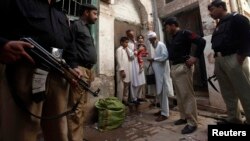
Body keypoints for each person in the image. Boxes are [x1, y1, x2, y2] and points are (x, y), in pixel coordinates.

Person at [0, 0, 80, 141]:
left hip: (57, 74)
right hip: (24, 73)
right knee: (21, 132)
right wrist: (3, 45)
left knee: (59, 133)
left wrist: (73, 66)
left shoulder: (60, 13)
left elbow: (69, 44)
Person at [208, 0, 250, 124]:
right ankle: (234, 119)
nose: (211, 13)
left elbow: (247, 36)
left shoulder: (237, 18)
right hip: (220, 60)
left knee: (244, 92)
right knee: (228, 93)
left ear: (221, 7)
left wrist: (241, 56)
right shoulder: (220, 24)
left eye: (212, 9)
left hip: (234, 58)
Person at [163, 17, 206, 134]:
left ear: (172, 25)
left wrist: (195, 57)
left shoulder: (185, 33)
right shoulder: (174, 37)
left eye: (166, 26)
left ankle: (192, 123)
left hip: (183, 67)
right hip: (175, 67)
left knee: (187, 95)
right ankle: (183, 117)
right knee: (180, 95)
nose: (166, 29)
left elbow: (201, 41)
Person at [67, 3, 98, 141]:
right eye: (94, 13)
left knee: (82, 105)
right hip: (79, 70)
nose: (96, 17)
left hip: (88, 71)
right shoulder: (76, 25)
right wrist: (74, 66)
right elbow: (69, 45)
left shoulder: (86, 28)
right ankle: (74, 138)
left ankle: (78, 136)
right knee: (76, 107)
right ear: (86, 12)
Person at [147, 31, 172, 122]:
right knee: (160, 93)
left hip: (163, 74)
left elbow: (165, 56)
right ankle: (162, 110)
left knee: (163, 93)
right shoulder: (155, 45)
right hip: (158, 74)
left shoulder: (160, 45)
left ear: (153, 38)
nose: (149, 41)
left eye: (150, 40)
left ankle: (165, 114)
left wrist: (154, 59)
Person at [126, 30, 146, 104]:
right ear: (127, 35)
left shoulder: (135, 42)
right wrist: (138, 50)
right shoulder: (127, 44)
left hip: (139, 62)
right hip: (133, 63)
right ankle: (133, 98)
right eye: (130, 34)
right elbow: (131, 55)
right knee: (134, 81)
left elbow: (142, 52)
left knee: (141, 80)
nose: (132, 35)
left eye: (133, 34)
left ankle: (138, 96)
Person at [116, 37, 133, 105]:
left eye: (127, 42)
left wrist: (128, 50)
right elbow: (119, 61)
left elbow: (132, 57)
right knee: (121, 87)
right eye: (125, 42)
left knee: (126, 86)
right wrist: (122, 70)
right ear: (121, 42)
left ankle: (125, 100)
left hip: (128, 70)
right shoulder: (119, 50)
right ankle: (119, 102)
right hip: (122, 71)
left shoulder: (127, 50)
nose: (127, 44)